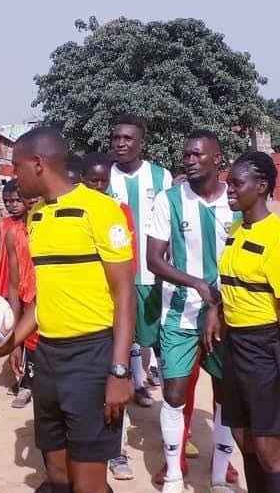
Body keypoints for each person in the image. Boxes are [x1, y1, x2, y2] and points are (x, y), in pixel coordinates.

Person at [0, 128, 135, 493]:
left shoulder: (101, 210)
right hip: (47, 357)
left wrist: (119, 371)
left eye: (17, 167)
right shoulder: (37, 217)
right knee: (58, 473)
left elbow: (125, 295)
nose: (14, 176)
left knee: (88, 483)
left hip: (92, 357)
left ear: (38, 164)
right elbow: (42, 298)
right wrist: (9, 342)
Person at [204, 151, 280, 493]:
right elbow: (232, 283)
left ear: (261, 186)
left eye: (237, 183)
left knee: (267, 448)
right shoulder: (236, 228)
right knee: (242, 436)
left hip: (265, 348)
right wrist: (217, 311)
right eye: (228, 182)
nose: (229, 189)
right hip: (234, 346)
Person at [147, 131, 240, 493]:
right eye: (186, 154)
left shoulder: (236, 201)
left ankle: (219, 474)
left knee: (226, 393)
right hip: (179, 313)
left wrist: (221, 302)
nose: (189, 160)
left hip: (229, 315)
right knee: (174, 392)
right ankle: (173, 473)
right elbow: (155, 260)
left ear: (217, 159)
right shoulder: (169, 200)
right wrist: (197, 283)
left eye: (198, 154)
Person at [106, 114, 174, 408]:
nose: (120, 143)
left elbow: (170, 222)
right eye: (116, 138)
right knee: (122, 334)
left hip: (152, 273)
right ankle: (135, 384)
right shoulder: (103, 177)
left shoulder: (161, 176)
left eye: (127, 138)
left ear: (141, 143)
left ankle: (166, 391)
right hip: (114, 274)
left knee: (153, 334)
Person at [80, 151, 141, 482]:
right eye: (93, 181)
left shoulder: (119, 211)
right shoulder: (73, 212)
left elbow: (128, 265)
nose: (99, 186)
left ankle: (118, 452)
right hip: (84, 312)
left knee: (116, 380)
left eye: (105, 181)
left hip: (112, 311)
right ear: (82, 179)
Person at [0, 180, 39, 409]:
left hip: (41, 290)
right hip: (16, 284)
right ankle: (24, 382)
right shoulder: (8, 228)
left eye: (17, 200)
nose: (13, 205)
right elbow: (0, 257)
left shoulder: (44, 225)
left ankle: (33, 382)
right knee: (19, 330)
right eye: (8, 201)